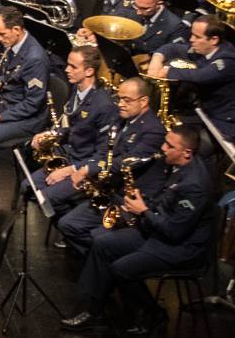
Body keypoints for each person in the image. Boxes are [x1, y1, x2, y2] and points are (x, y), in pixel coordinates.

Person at [61, 125, 215, 335]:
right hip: (160, 232)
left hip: (182, 248)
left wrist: (143, 212)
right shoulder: (178, 166)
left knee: (121, 268)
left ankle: (154, 313)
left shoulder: (195, 184)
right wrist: (140, 205)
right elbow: (165, 201)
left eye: (169, 145)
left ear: (186, 152)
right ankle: (94, 311)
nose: (163, 147)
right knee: (102, 243)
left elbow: (174, 232)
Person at [56, 77, 166, 250]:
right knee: (68, 224)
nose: (120, 104)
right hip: (110, 192)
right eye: (118, 98)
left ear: (144, 101)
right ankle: (98, 257)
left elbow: (125, 162)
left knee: (99, 239)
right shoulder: (122, 119)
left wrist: (87, 170)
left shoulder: (154, 130)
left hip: (131, 199)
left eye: (127, 100)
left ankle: (105, 260)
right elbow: (105, 152)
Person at [28, 46, 117, 218]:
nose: (67, 70)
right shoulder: (77, 89)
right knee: (29, 186)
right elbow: (69, 125)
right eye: (68, 64)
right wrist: (50, 135)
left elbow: (104, 154)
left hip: (84, 167)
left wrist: (69, 170)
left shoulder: (104, 106)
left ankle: (65, 225)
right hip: (69, 156)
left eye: (73, 67)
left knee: (45, 198)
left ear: (89, 71)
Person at [149, 17, 235, 145]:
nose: (191, 39)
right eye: (192, 35)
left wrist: (167, 71)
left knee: (177, 141)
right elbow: (172, 48)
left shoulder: (228, 59)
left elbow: (202, 76)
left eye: (197, 37)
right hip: (204, 112)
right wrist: (156, 59)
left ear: (214, 40)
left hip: (226, 122)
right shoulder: (204, 48)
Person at [0, 6, 51, 149]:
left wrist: (0, 118)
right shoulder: (13, 43)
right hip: (7, 105)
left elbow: (33, 103)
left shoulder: (34, 59)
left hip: (28, 118)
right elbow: (8, 72)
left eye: (2, 34)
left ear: (17, 30)